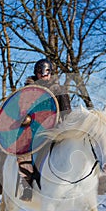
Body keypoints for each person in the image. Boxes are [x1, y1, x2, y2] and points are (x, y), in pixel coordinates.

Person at [17, 58, 71, 201]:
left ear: (50, 73)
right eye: (40, 73)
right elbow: (21, 110)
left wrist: (64, 126)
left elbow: (66, 112)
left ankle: (65, 185)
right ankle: (27, 187)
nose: (43, 75)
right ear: (36, 73)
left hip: (54, 128)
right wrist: (23, 118)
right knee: (23, 154)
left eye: (46, 73)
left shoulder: (59, 90)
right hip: (32, 128)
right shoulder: (28, 90)